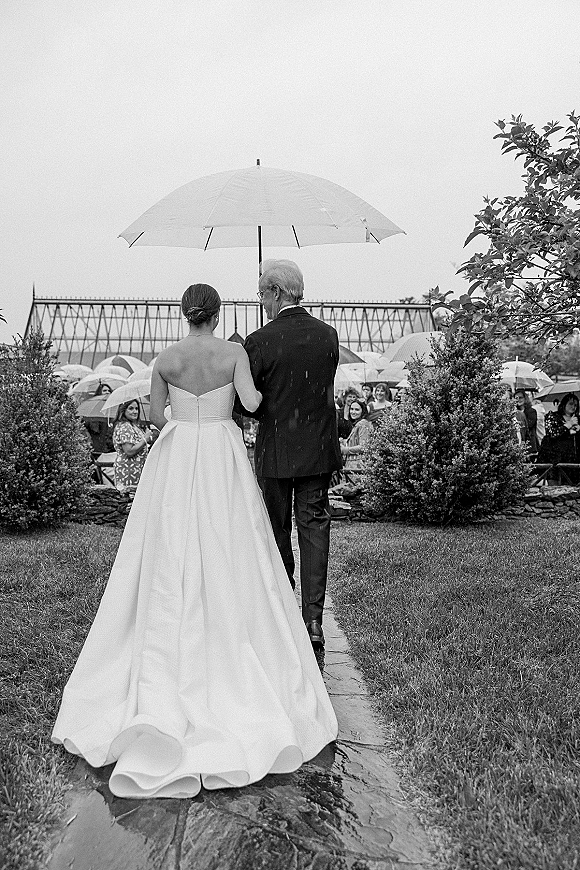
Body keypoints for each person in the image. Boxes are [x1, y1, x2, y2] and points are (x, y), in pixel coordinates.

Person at [52, 282, 337, 800]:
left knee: (169, 538)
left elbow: (158, 415)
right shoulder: (233, 352)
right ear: (217, 313)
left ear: (185, 314)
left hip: (180, 451)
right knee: (235, 541)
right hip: (222, 452)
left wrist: (189, 418)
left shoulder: (165, 358)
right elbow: (251, 402)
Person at [235, 260, 342, 651]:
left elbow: (249, 404)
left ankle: (283, 609)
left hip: (276, 452)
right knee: (314, 531)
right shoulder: (327, 336)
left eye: (262, 293)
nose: (261, 301)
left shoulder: (259, 340)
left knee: (277, 529)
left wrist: (268, 408)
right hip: (316, 451)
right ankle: (313, 621)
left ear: (277, 292)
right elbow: (317, 392)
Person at [112, 399, 152, 491]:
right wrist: (145, 439)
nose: (135, 411)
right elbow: (129, 451)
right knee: (129, 499)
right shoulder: (124, 426)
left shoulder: (134, 426)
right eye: (131, 408)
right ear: (123, 410)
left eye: (137, 409)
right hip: (128, 470)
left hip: (137, 468)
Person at [538, 392, 580, 470]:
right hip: (554, 458)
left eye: (575, 405)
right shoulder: (552, 416)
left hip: (572, 459)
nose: (573, 407)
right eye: (571, 404)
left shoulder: (577, 419)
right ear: (564, 404)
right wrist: (568, 425)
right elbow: (552, 434)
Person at [341, 399, 373, 469]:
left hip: (358, 466)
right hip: (353, 465)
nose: (353, 412)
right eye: (351, 409)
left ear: (363, 411)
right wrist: (343, 441)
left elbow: (364, 446)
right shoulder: (358, 423)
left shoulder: (363, 424)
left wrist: (345, 450)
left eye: (357, 410)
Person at [514, 388, 538, 453]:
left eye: (520, 397)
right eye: (516, 398)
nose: (518, 400)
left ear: (525, 398)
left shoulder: (531, 411)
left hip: (530, 444)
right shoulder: (514, 412)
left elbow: (528, 425)